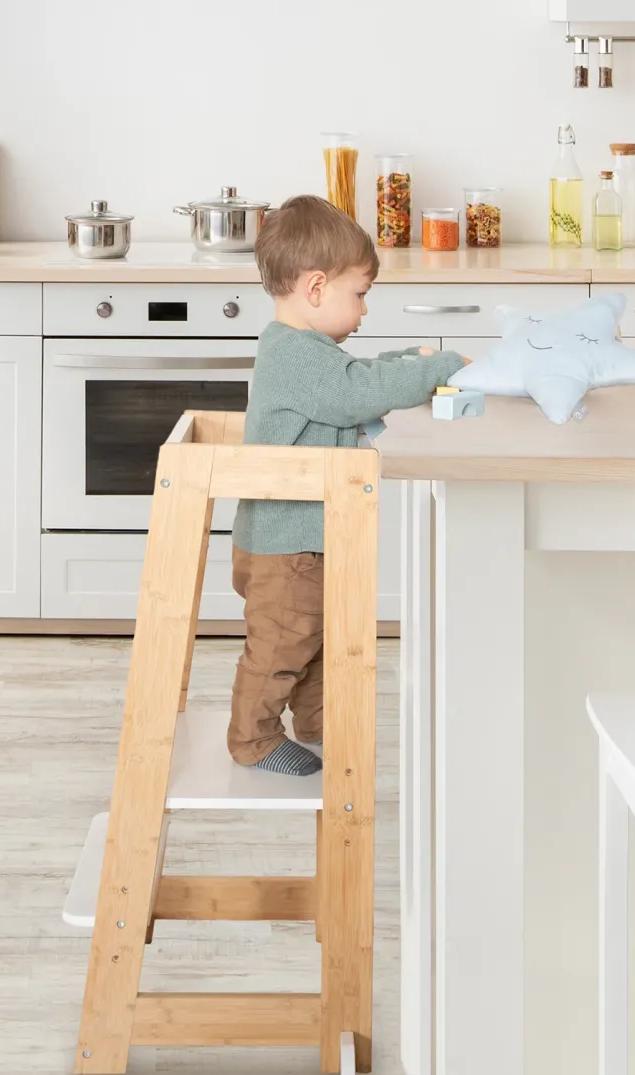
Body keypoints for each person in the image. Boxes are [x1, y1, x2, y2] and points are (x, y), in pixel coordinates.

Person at [230, 194, 467, 776]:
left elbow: (351, 378)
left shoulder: (303, 350)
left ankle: (315, 727)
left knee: (315, 643)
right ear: (315, 288)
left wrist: (402, 359)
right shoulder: (297, 355)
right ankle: (252, 740)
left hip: (306, 539)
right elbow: (353, 393)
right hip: (288, 546)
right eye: (358, 294)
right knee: (284, 646)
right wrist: (438, 367)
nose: (363, 311)